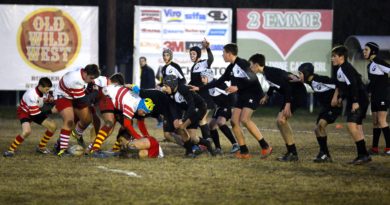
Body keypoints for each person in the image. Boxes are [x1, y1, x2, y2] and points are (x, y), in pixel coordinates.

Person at [191, 44, 272, 159]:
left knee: (244, 119)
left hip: (253, 94)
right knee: (234, 121)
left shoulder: (243, 63)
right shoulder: (230, 68)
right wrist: (200, 88)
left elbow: (252, 79)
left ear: (229, 54)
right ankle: (244, 151)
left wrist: (237, 87)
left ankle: (265, 146)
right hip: (242, 96)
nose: (222, 55)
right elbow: (218, 81)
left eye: (223, 53)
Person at [249, 53, 307, 162]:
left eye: (251, 65)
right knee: (280, 121)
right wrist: (267, 96)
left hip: (296, 95)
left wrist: (288, 104)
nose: (250, 67)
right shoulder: (267, 72)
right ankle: (291, 152)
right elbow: (273, 85)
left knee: (281, 120)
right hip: (293, 94)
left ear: (257, 65)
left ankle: (292, 153)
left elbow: (287, 86)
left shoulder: (269, 73)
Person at [331, 45, 371, 165]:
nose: (332, 58)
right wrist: (341, 98)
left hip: (359, 99)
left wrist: (355, 101)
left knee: (351, 126)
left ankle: (363, 155)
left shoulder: (345, 68)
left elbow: (353, 84)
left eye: (334, 56)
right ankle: (364, 155)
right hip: (358, 98)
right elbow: (346, 87)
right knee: (357, 127)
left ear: (341, 57)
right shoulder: (341, 68)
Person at [53, 64, 100, 156]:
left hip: (73, 95)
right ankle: (61, 149)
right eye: (91, 78)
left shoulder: (83, 72)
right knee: (69, 121)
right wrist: (95, 92)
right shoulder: (76, 81)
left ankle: (76, 133)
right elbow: (83, 100)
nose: (92, 80)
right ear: (85, 73)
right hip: (63, 96)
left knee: (87, 119)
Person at [298, 63, 342, 162]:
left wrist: (336, 98)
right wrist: (296, 79)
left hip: (333, 107)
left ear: (306, 73)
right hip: (325, 108)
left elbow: (339, 84)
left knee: (321, 126)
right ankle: (323, 153)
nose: (299, 75)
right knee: (317, 130)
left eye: (300, 73)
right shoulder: (310, 80)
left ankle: (326, 154)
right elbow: (303, 81)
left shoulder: (321, 79)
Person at [162, 75, 215, 157]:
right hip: (191, 110)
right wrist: (176, 118)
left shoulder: (183, 89)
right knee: (194, 138)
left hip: (199, 108)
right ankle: (207, 143)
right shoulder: (170, 93)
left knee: (181, 127)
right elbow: (173, 106)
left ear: (172, 85)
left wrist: (183, 120)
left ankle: (189, 152)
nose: (164, 88)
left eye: (166, 86)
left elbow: (191, 106)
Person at [3, 77, 57, 157]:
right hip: (25, 112)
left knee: (53, 126)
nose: (48, 91)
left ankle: (41, 147)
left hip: (35, 111)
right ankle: (11, 150)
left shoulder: (44, 92)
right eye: (46, 89)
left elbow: (48, 99)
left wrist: (53, 101)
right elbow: (35, 114)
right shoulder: (31, 95)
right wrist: (51, 111)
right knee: (27, 132)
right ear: (40, 86)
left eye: (49, 89)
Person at [200, 69, 239, 154]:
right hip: (219, 107)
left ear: (209, 77)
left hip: (227, 105)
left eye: (203, 77)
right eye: (201, 77)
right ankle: (218, 148)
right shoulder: (209, 85)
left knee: (220, 122)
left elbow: (232, 94)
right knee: (211, 125)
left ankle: (235, 144)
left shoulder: (218, 84)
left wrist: (232, 108)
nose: (202, 79)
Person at [363, 42, 390, 155]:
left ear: (373, 51)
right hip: (375, 96)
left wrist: (386, 86)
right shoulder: (370, 65)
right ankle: (374, 148)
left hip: (383, 95)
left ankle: (389, 148)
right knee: (375, 122)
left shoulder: (378, 61)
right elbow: (372, 82)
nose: (364, 52)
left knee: (382, 121)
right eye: (364, 50)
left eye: (366, 50)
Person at [188, 39, 216, 144]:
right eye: (190, 54)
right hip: (199, 97)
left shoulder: (203, 63)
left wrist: (208, 48)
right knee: (200, 120)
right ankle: (207, 141)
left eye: (194, 54)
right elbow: (194, 81)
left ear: (198, 54)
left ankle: (207, 142)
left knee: (202, 120)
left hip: (205, 96)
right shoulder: (194, 66)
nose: (192, 56)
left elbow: (211, 59)